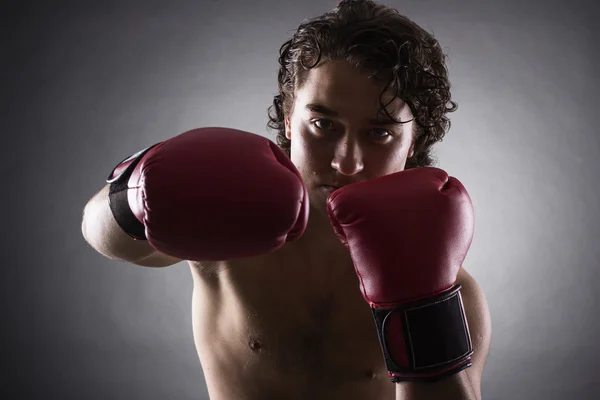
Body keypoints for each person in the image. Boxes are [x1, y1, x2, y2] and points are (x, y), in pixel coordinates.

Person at [81, 1, 492, 399]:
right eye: (323, 124)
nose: (345, 162)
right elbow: (102, 236)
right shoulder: (234, 228)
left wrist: (422, 309)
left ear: (413, 141)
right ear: (290, 117)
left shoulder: (451, 294)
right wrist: (135, 191)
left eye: (379, 133)